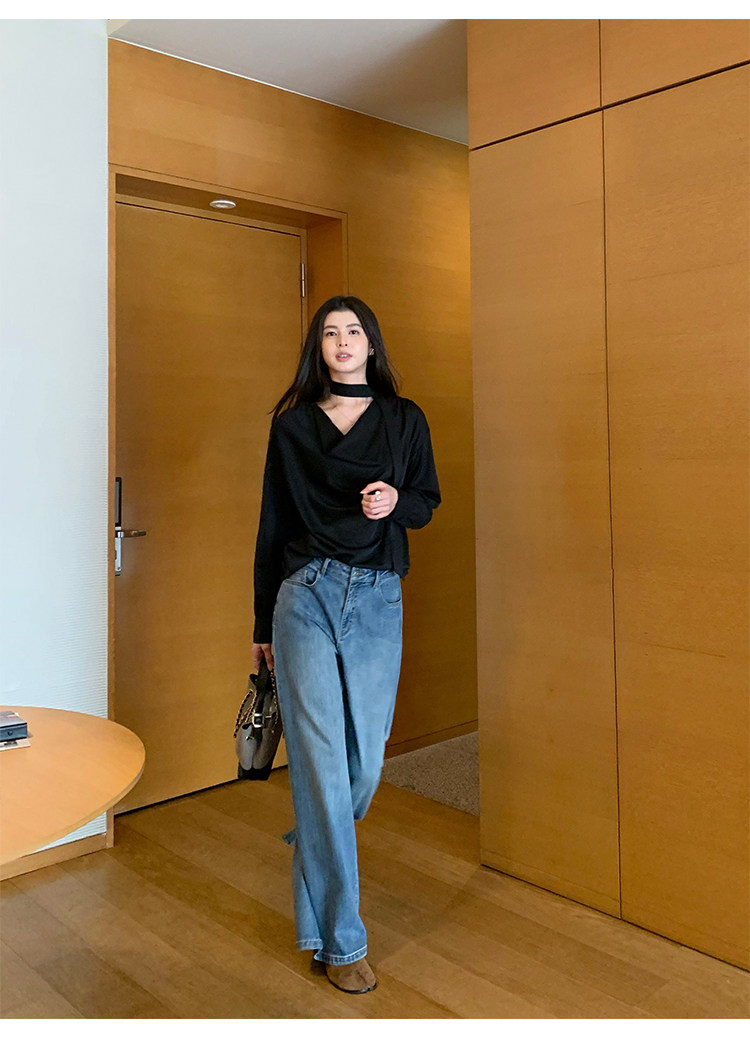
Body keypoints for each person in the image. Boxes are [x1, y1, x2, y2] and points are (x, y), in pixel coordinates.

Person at [251, 295, 441, 994]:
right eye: (330, 332)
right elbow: (272, 526)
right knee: (321, 764)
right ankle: (342, 940)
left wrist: (395, 503)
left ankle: (317, 829)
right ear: (319, 347)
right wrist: (260, 627)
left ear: (371, 343)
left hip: (378, 595)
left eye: (353, 331)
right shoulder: (292, 426)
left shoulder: (404, 418)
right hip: (303, 593)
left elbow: (426, 501)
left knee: (361, 767)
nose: (342, 341)